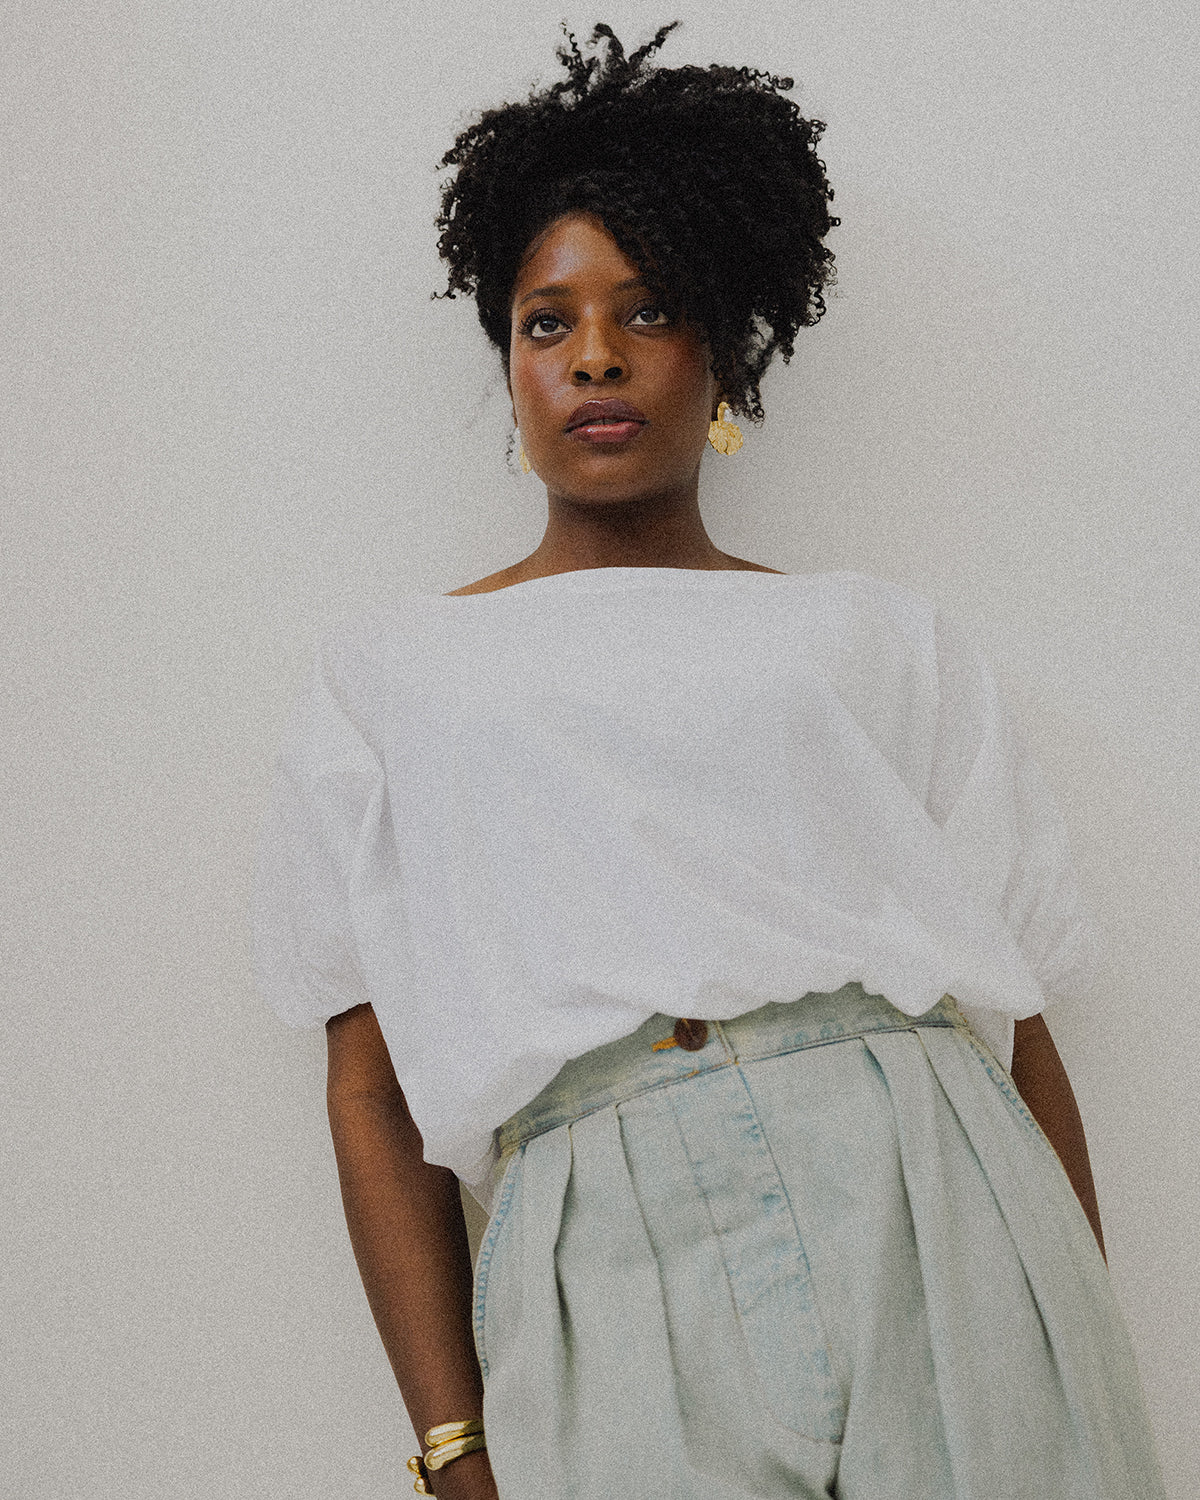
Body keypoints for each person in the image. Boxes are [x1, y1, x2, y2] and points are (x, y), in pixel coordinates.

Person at [251, 21, 1166, 1500]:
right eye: (546, 322)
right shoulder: (388, 679)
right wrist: (454, 1446)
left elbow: (1021, 1018)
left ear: (726, 349)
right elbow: (371, 1089)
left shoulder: (877, 635)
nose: (595, 355)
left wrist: (1075, 1350)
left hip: (930, 1186)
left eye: (650, 309)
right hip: (598, 1240)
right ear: (508, 363)